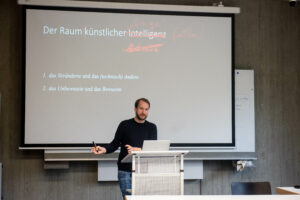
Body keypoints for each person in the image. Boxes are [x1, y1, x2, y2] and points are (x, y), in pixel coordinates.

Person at [92, 98, 157, 199]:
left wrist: (138, 150)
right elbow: (114, 144)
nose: (143, 112)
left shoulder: (152, 127)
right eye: (141, 108)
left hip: (144, 171)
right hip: (125, 171)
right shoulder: (125, 125)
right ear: (135, 109)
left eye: (146, 109)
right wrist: (103, 149)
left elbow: (153, 149)